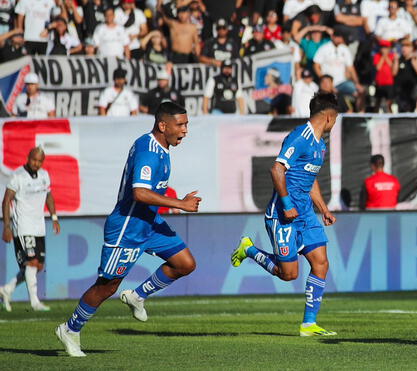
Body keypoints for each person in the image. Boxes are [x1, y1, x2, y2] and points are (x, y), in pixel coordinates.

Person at [55, 102, 201, 357]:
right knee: (108, 286)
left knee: (185, 263)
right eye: (181, 124)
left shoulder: (162, 149)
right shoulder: (148, 149)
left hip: (149, 224)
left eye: (186, 124)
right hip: (128, 227)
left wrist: (176, 200)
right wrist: (180, 204)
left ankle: (137, 296)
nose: (185, 130)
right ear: (162, 125)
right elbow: (140, 192)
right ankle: (70, 329)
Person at [231, 92, 339, 337]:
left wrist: (324, 209)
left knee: (321, 263)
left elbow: (310, 180)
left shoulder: (320, 144)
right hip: (283, 215)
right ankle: (249, 249)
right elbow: (277, 170)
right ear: (330, 117)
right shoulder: (299, 137)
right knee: (288, 275)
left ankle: (309, 324)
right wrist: (287, 203)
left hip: (306, 215)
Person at [0, 147, 60, 312]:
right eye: (34, 159)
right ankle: (34, 302)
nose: (36, 163)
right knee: (31, 263)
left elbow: (48, 196)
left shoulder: (44, 175)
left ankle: (7, 289)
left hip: (38, 226)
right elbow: (6, 201)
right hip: (23, 226)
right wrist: (6, 226)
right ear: (28, 157)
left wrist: (54, 217)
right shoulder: (17, 175)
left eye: (40, 161)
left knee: (37, 266)